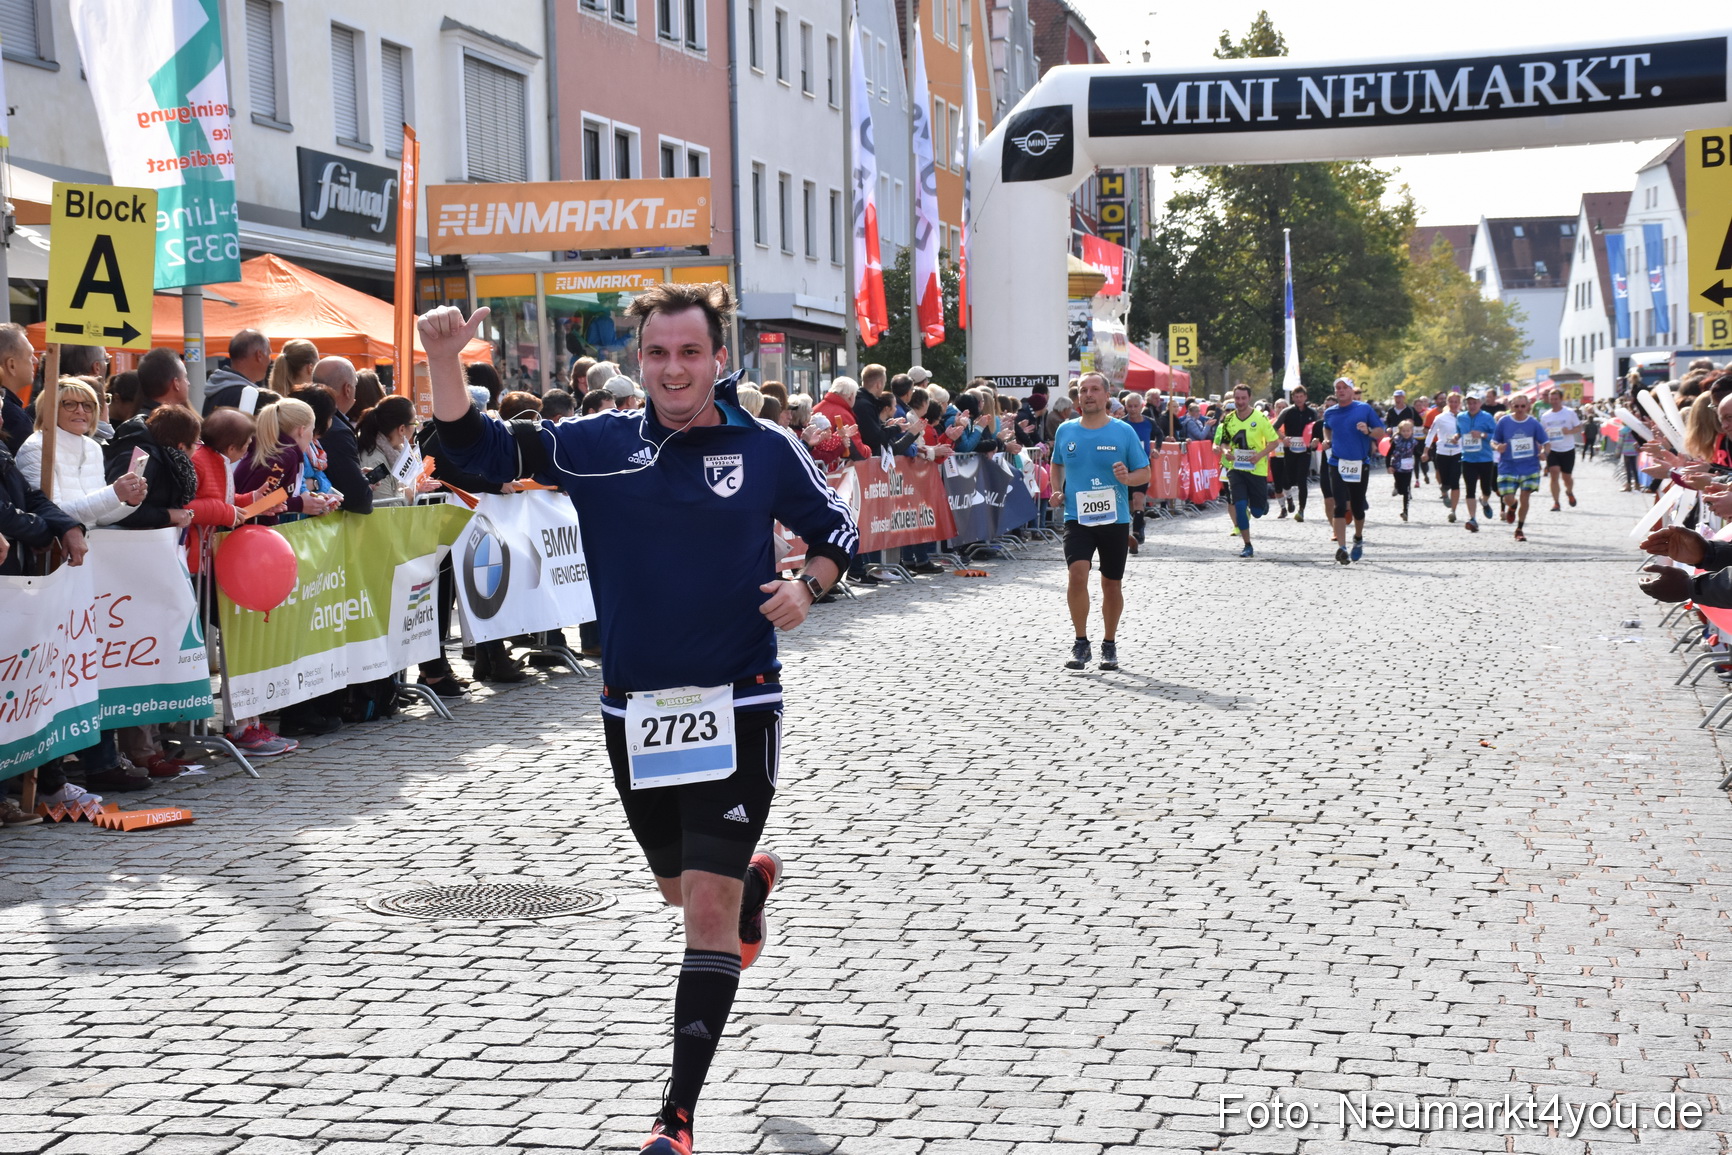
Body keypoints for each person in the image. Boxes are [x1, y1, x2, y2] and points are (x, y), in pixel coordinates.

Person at [418, 282, 856, 1155]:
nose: (673, 369)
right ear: (639, 360)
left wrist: (808, 587)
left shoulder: (763, 447)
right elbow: (478, 456)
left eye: (690, 352)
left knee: (700, 910)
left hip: (740, 699)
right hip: (634, 711)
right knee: (679, 890)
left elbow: (836, 526)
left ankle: (675, 1116)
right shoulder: (595, 443)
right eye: (657, 353)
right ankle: (749, 897)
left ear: (718, 358)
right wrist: (442, 362)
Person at [1048, 373, 1150, 670]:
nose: (1088, 394)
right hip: (1077, 517)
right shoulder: (1066, 430)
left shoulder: (1123, 432)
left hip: (1114, 519)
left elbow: (1144, 473)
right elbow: (1056, 463)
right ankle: (1081, 642)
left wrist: (1127, 478)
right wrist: (1057, 489)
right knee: (1077, 574)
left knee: (1111, 583)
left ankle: (1109, 643)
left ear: (1107, 395)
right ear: (1078, 397)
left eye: (1094, 390)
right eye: (1083, 390)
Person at [17, 378, 144, 530]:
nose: (80, 410)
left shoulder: (93, 447)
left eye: (88, 405)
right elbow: (55, 514)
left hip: (91, 545)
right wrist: (114, 493)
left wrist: (128, 501)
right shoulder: (37, 447)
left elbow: (98, 518)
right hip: (55, 549)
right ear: (50, 409)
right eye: (69, 404)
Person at [1318, 376, 1385, 565]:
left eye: (1344, 387)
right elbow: (1327, 427)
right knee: (1339, 505)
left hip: (1359, 464)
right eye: (1337, 388)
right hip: (1336, 463)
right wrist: (1327, 440)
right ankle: (1342, 547)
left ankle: (1358, 537)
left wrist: (1368, 431)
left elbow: (1381, 431)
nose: (1340, 391)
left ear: (1351, 390)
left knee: (1356, 506)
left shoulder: (1363, 409)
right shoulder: (1330, 412)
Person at [1212, 384, 1280, 557]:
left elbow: (1274, 442)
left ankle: (1260, 505)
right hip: (1236, 469)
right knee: (1240, 505)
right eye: (1237, 398)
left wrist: (1259, 455)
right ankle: (1247, 545)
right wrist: (1226, 451)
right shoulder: (1228, 419)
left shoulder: (1260, 418)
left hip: (1257, 469)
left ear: (1249, 398)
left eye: (1243, 398)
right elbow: (1225, 442)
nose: (1240, 402)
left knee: (1257, 512)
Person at [310, 358, 375, 516]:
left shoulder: (299, 415)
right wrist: (362, 485)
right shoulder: (336, 431)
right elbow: (358, 500)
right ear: (347, 389)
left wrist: (357, 476)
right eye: (355, 385)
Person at [357, 396, 440, 507]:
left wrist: (417, 487)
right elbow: (385, 506)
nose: (416, 427)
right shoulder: (375, 461)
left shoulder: (395, 451)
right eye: (415, 423)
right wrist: (412, 494)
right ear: (402, 429)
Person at [1492, 392, 1547, 542]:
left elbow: (1546, 442)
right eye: (1516, 406)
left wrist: (1543, 452)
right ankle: (1512, 506)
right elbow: (1493, 441)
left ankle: (1519, 529)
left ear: (1528, 406)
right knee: (1508, 498)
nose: (1520, 409)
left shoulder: (1534, 423)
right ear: (1511, 406)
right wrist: (1497, 447)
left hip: (1530, 467)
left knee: (1525, 497)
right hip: (1508, 466)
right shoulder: (1503, 422)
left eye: (1523, 406)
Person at [202, 329, 272, 416]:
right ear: (259, 355)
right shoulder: (252, 397)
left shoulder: (214, 390)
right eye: (269, 354)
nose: (270, 360)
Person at [1455, 392, 1499, 533]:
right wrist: (1456, 437)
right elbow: (1459, 431)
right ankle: (1472, 518)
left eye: (1475, 403)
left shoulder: (1487, 417)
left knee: (1487, 489)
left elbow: (1496, 436)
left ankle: (1484, 501)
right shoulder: (1461, 417)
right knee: (1470, 489)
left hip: (1485, 458)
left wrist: (1482, 435)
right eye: (1469, 403)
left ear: (1480, 403)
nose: (1472, 406)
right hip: (1468, 459)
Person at [1273, 385, 1317, 522]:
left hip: (1305, 450)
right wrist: (1283, 438)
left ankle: (1301, 510)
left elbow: (1316, 429)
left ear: (1305, 397)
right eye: (1296, 397)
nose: (1299, 399)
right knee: (1287, 481)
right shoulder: (1287, 411)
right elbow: (1274, 427)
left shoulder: (1312, 412)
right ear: (1292, 398)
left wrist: (1315, 440)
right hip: (1290, 450)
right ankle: (1290, 499)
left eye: (1301, 396)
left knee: (1302, 480)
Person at [1422, 392, 1466, 524]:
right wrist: (1425, 452)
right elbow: (1430, 435)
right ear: (1447, 403)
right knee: (1445, 481)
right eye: (1451, 401)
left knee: (1455, 481)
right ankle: (1443, 489)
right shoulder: (1440, 418)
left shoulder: (1464, 417)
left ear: (1460, 403)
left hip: (1458, 453)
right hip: (1442, 452)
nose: (1453, 404)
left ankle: (1453, 511)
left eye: (1456, 402)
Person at [1538, 385, 1581, 511]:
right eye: (1552, 399)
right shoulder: (1546, 416)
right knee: (1554, 473)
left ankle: (1569, 491)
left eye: (1556, 399)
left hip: (1567, 449)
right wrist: (1543, 445)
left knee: (1566, 477)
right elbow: (1542, 434)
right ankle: (1556, 502)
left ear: (1561, 399)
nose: (1554, 401)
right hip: (1553, 449)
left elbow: (1579, 427)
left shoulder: (1569, 412)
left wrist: (1569, 431)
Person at [1120, 392, 1154, 549]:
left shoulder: (1149, 422)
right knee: (1130, 503)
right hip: (1124, 469)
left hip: (1142, 467)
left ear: (1142, 406)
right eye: (1129, 406)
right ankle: (1139, 521)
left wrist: (1157, 448)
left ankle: (1136, 533)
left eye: (1136, 406)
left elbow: (1159, 435)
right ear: (1125, 406)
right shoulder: (1120, 424)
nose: (1133, 409)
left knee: (1138, 498)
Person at [1386, 419, 1422, 522]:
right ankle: (1397, 486)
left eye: (1408, 431)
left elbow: (1416, 453)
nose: (1406, 433)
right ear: (1400, 431)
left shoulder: (1414, 442)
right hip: (1397, 467)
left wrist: (1425, 456)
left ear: (1412, 431)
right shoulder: (1396, 440)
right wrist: (1388, 466)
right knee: (1401, 489)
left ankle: (1405, 511)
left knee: (1406, 490)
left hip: (1408, 468)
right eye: (1404, 431)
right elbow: (1388, 454)